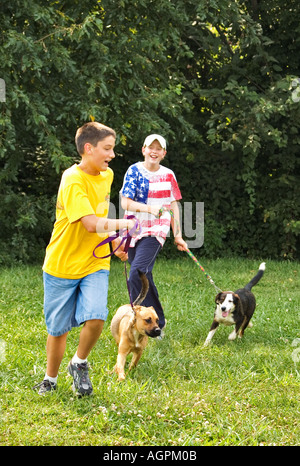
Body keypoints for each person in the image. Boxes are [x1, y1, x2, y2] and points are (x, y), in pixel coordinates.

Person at [34, 122, 134, 396]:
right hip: (62, 264)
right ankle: (50, 380)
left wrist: (114, 242)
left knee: (97, 316)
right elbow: (90, 223)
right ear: (88, 149)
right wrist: (125, 225)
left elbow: (99, 212)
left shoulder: (107, 175)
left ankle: (79, 363)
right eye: (107, 149)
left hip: (95, 262)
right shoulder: (72, 179)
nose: (112, 155)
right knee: (58, 329)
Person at [120, 134, 188, 331]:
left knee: (137, 272)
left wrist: (177, 235)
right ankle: (155, 322)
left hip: (156, 228)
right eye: (151, 147)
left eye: (159, 148)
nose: (154, 151)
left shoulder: (169, 175)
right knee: (144, 276)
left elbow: (174, 206)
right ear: (143, 150)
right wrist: (149, 209)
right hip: (133, 227)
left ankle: (144, 320)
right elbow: (125, 202)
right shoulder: (133, 171)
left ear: (164, 153)